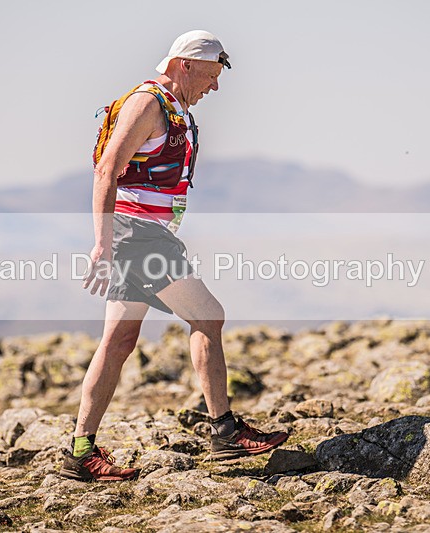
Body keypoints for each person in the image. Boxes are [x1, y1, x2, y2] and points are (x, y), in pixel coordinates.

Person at [60, 30, 288, 482]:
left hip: (141, 233)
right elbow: (107, 169)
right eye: (212, 75)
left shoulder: (173, 107)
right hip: (137, 235)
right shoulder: (147, 104)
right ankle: (224, 431)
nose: (216, 86)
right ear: (186, 64)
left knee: (119, 342)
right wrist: (103, 243)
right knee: (209, 317)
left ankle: (80, 451)